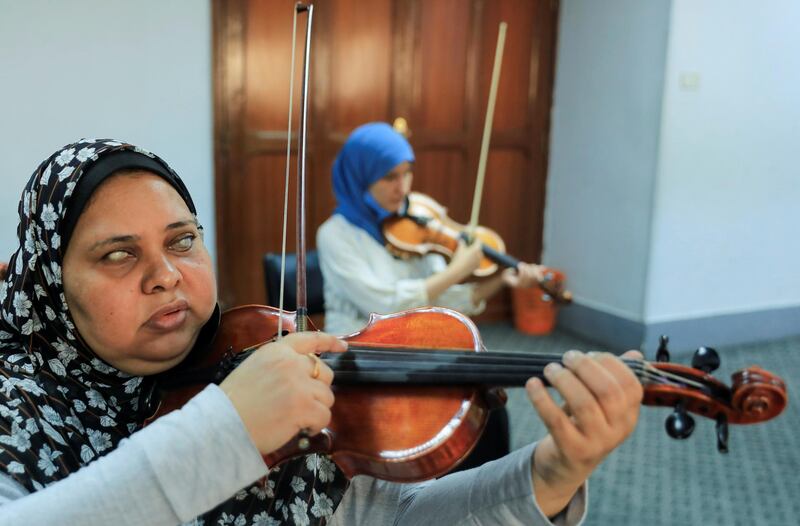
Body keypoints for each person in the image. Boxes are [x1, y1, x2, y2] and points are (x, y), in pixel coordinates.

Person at [0, 139, 642, 526]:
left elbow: (384, 518)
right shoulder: (16, 411)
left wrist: (549, 476)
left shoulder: (252, 359)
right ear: (52, 285)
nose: (166, 276)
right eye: (118, 254)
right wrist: (228, 431)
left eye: (182, 240)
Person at [317, 122, 544, 337]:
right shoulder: (334, 235)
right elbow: (384, 307)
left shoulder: (418, 215)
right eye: (390, 177)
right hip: (355, 346)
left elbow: (437, 298)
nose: (403, 188)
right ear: (360, 177)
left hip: (412, 337)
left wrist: (501, 280)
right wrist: (457, 270)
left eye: (407, 173)